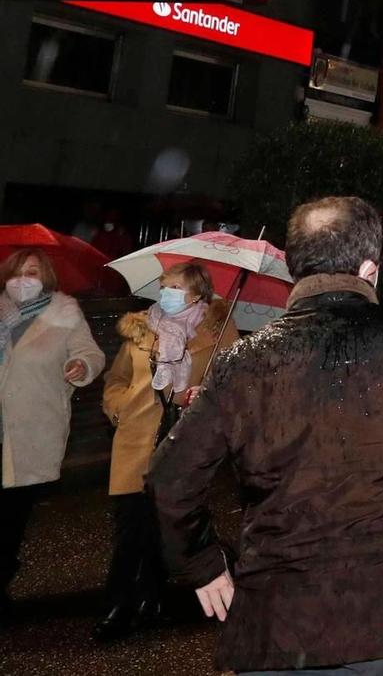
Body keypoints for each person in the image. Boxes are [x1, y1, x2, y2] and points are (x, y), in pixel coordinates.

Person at [149, 196, 383, 675]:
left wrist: (203, 564)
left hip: (281, 621)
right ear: (370, 267)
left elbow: (170, 475)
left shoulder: (244, 360)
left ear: (293, 265)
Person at [96, 262, 241, 642]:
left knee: (167, 523)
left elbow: (233, 383)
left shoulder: (218, 331)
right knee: (131, 526)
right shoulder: (143, 327)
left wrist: (203, 396)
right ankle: (118, 605)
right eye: (163, 285)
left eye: (174, 286)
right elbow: (117, 379)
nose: (166, 293)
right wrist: (118, 407)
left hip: (182, 441)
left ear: (196, 292)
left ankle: (152, 599)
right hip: (137, 437)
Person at [0, 248, 106, 620]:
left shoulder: (64, 314)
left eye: (31, 271)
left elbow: (91, 354)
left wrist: (81, 365)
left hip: (31, 430)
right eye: (16, 271)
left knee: (11, 517)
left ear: (46, 277)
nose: (22, 278)